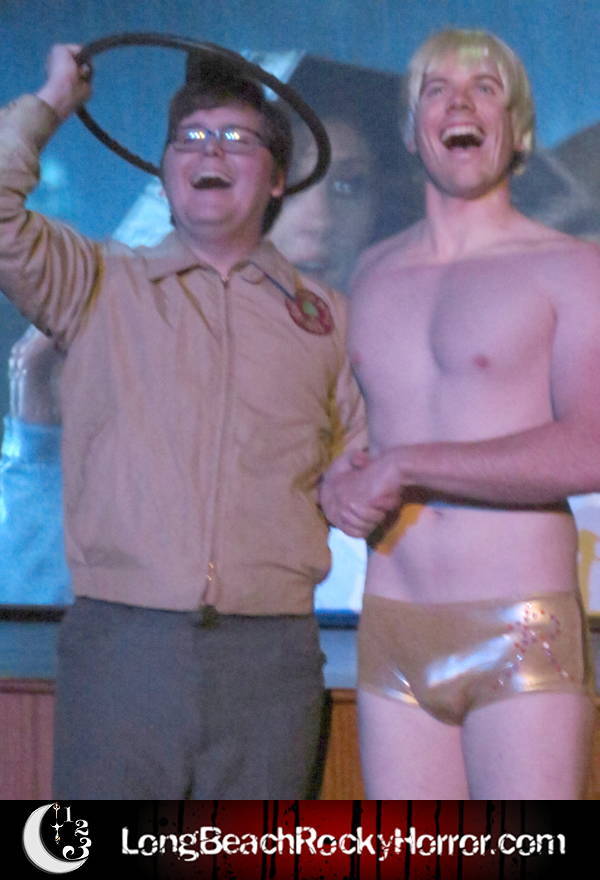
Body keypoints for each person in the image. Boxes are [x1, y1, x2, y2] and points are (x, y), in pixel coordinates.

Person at [0, 44, 366, 799]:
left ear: (278, 177)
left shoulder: (328, 320)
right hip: (121, 648)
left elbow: (358, 467)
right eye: (190, 138)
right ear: (164, 171)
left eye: (236, 138)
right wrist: (52, 101)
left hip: (272, 658)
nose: (210, 151)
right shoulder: (97, 283)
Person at [320, 28, 600, 800]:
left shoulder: (572, 267)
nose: (461, 104)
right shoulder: (371, 271)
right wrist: (341, 475)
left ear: (518, 129)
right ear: (413, 131)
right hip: (392, 621)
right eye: (437, 90)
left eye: (485, 89)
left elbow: (590, 446)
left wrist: (407, 465)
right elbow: (366, 430)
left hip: (519, 627)